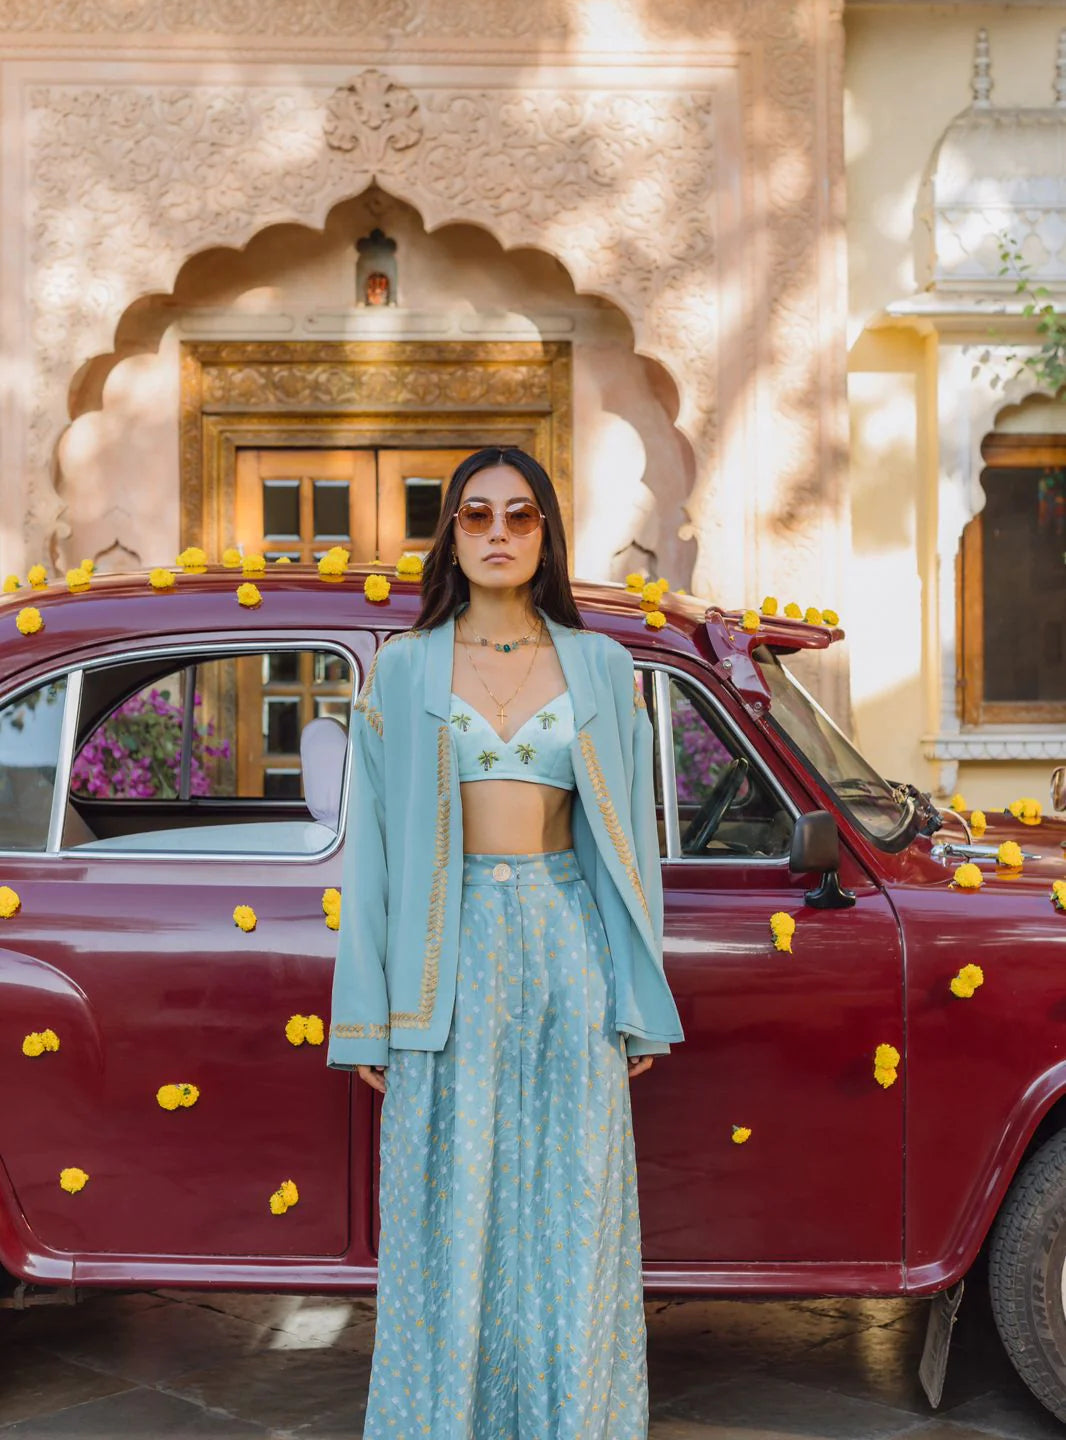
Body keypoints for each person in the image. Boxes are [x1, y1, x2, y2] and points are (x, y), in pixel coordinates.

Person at [328, 444, 684, 1439]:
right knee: (450, 1217)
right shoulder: (403, 672)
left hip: (569, 953)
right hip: (446, 971)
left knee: (572, 1217)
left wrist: (634, 995)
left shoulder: (602, 666)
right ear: (450, 533)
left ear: (543, 532)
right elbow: (378, 859)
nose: (495, 533)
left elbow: (631, 851)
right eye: (475, 515)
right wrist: (367, 1022)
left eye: (518, 515)